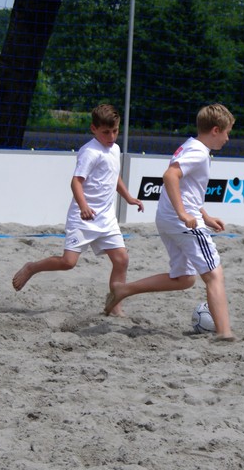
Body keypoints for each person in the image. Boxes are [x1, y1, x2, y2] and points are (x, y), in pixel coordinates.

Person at [103, 103, 236, 340]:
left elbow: (186, 189)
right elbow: (170, 176)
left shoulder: (191, 145)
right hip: (181, 222)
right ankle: (225, 334)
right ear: (215, 130)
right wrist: (184, 214)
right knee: (214, 274)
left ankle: (123, 289)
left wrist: (205, 216)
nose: (228, 138)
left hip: (167, 219)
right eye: (227, 132)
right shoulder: (199, 152)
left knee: (184, 279)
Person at [11, 104, 144, 316]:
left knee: (122, 260)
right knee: (68, 263)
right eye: (106, 132)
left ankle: (115, 306)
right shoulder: (90, 152)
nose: (111, 136)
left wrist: (128, 197)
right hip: (83, 218)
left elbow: (114, 174)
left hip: (106, 218)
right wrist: (83, 206)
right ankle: (32, 267)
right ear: (93, 129)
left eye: (115, 131)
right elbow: (75, 182)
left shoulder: (115, 149)